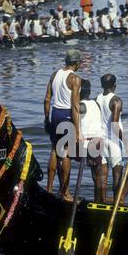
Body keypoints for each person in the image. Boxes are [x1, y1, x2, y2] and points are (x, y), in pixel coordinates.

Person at [43, 49, 82, 201]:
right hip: (66, 115)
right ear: (77, 63)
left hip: (55, 113)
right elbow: (75, 107)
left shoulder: (55, 74)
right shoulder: (75, 79)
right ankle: (65, 192)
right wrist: (77, 131)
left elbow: (47, 99)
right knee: (66, 154)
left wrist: (47, 119)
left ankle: (49, 188)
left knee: (54, 150)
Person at [96, 74, 125, 202]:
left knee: (102, 176)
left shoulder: (97, 98)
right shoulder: (116, 100)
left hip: (100, 139)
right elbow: (114, 125)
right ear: (115, 86)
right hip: (113, 141)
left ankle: (102, 201)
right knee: (117, 173)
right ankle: (117, 202)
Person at [79, 79, 104, 201]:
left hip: (86, 142)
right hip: (98, 140)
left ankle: (65, 192)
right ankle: (97, 200)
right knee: (97, 175)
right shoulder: (96, 103)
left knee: (65, 160)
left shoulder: (79, 106)